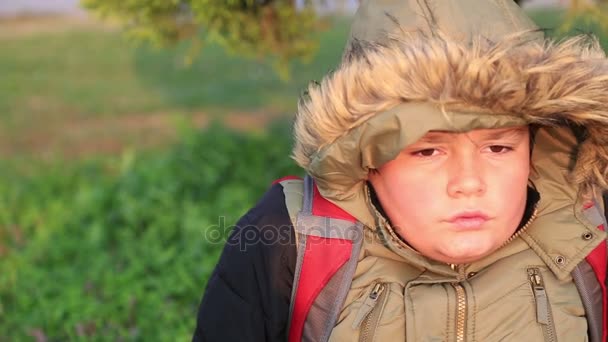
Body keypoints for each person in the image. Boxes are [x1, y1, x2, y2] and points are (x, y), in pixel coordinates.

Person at [193, 0, 608, 341]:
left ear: (534, 147)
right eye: (427, 152)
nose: (468, 183)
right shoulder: (286, 237)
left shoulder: (588, 229)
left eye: (498, 147)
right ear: (366, 159)